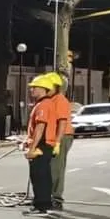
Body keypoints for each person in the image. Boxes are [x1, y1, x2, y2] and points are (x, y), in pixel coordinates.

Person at [23, 74, 58, 217]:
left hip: (42, 145)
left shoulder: (43, 105)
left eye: (34, 88)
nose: (31, 90)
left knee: (39, 175)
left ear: (43, 88)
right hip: (45, 144)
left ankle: (41, 206)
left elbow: (40, 127)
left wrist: (32, 148)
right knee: (42, 175)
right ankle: (43, 203)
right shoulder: (46, 103)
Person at [46, 72, 74, 210]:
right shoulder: (49, 100)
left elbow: (62, 122)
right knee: (47, 168)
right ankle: (46, 196)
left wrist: (57, 142)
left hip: (61, 137)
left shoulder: (60, 100)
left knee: (56, 168)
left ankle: (56, 198)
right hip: (52, 137)